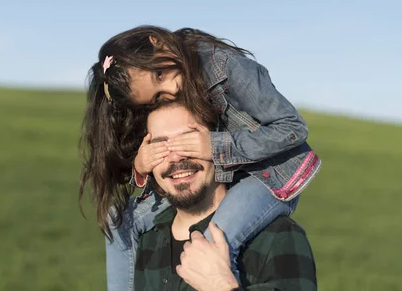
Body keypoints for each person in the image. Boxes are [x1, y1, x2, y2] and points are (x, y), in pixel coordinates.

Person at [79, 26, 321, 290]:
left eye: (161, 74)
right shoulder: (174, 78)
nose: (171, 88)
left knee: (205, 246)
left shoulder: (225, 67)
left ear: (156, 41)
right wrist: (140, 165)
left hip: (266, 176)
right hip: (226, 170)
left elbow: (293, 128)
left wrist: (214, 147)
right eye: (157, 97)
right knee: (119, 221)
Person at [135, 101, 317, 290]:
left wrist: (221, 286)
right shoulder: (148, 241)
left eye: (189, 141)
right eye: (159, 148)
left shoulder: (277, 236)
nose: (176, 157)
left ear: (219, 145)